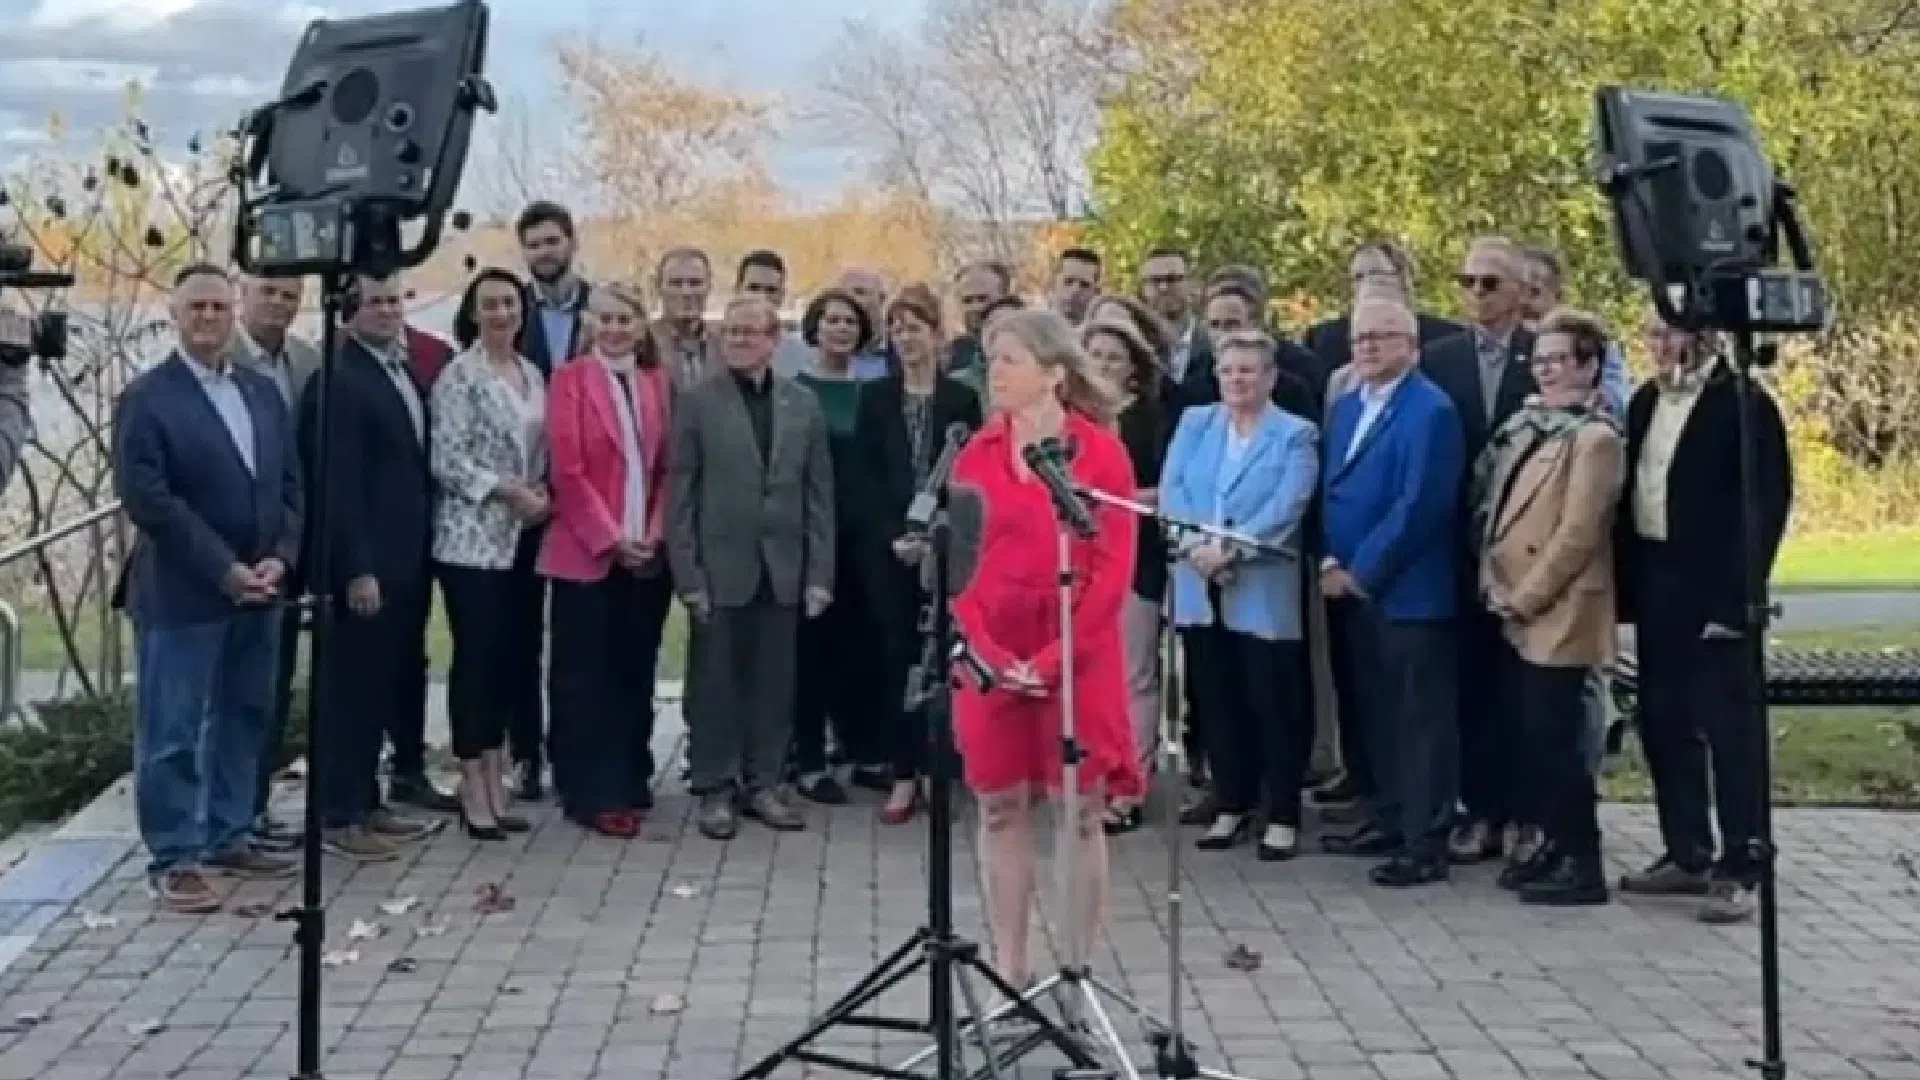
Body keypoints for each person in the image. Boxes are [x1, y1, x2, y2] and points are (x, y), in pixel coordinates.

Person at [949, 308, 1140, 989]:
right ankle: (1010, 966)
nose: (993, 372)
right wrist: (995, 657)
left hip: (1077, 654)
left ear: (1053, 374)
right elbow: (958, 571)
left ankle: (1078, 970)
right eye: (991, 360)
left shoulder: (1101, 454)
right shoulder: (974, 454)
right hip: (994, 658)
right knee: (1002, 805)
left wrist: (1055, 660)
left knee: (1080, 809)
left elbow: (1112, 573)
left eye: (1008, 359)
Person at [115, 264, 302, 911]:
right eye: (198, 307)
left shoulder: (260, 392)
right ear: (174, 313)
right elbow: (149, 500)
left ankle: (230, 830)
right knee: (172, 731)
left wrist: (280, 556)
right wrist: (224, 568)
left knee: (245, 716)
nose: (211, 318)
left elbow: (287, 487)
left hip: (262, 588)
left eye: (220, 307)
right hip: (184, 594)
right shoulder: (147, 398)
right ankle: (175, 855)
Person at [1616, 309, 1792, 924]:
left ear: (1704, 336)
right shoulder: (1643, 402)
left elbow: (1764, 506)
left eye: (1670, 334)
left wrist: (1736, 600)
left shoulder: (1742, 403)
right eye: (1652, 336)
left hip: (1715, 586)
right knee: (1665, 719)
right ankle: (1686, 849)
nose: (1660, 346)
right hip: (1657, 579)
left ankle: (1744, 860)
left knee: (1729, 728)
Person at [669, 296, 835, 841]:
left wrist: (818, 576)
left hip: (783, 567)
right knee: (714, 684)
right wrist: (688, 576)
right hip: (720, 566)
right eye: (731, 332)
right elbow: (681, 496)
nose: (738, 340)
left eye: (749, 332)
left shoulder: (802, 404)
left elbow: (818, 497)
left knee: (773, 682)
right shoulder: (697, 403)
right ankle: (715, 788)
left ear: (772, 340)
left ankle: (765, 781)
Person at [1473, 309, 1624, 905]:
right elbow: (1497, 509)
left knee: (1558, 743)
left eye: (1561, 361)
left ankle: (1583, 864)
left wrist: (1526, 596)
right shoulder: (1530, 426)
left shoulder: (1596, 438)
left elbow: (1578, 533)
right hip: (1511, 601)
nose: (1549, 372)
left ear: (1590, 367)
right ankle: (1554, 846)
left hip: (1558, 607)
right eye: (1541, 362)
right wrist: (1493, 579)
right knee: (1531, 739)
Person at [1319, 297, 1465, 887]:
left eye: (1382, 337)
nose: (1368, 347)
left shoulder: (1431, 410)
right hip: (1353, 588)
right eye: (1360, 338)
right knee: (1376, 713)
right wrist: (1331, 558)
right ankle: (1387, 817)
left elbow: (1419, 505)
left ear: (1411, 344)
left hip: (1409, 592)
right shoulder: (1349, 405)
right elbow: (1333, 489)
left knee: (1419, 721)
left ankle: (1425, 841)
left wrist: (1364, 570)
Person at [1162, 330, 1320, 860]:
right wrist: (1195, 546)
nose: (1236, 380)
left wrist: (1230, 551)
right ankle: (1232, 803)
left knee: (1272, 702)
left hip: (1260, 587)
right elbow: (1173, 491)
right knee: (1217, 699)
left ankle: (1281, 813)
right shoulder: (1195, 423)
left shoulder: (1295, 434)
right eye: (1228, 371)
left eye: (1248, 370)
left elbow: (1287, 505)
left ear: (1270, 377)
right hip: (1197, 583)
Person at [300, 272, 440, 861]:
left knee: (383, 686)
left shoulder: (397, 370)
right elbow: (339, 485)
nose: (387, 312)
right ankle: (339, 813)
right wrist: (356, 568)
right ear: (348, 311)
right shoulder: (337, 381)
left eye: (394, 301)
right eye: (374, 303)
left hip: (407, 558)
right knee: (349, 693)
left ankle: (369, 800)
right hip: (364, 566)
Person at [540, 284, 676, 838]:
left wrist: (652, 532)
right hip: (587, 554)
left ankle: (629, 777)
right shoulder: (570, 380)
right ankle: (587, 790)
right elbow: (567, 471)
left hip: (645, 553)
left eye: (627, 318)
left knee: (633, 672)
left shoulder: (656, 383)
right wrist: (611, 537)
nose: (616, 328)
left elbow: (668, 466)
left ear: (642, 326)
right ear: (591, 324)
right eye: (607, 318)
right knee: (584, 676)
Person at [851, 284, 984, 823]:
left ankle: (940, 772)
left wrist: (936, 535)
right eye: (898, 328)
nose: (907, 338)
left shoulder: (961, 400)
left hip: (946, 553)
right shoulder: (876, 398)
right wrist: (896, 536)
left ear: (936, 334)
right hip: (890, 553)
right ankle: (902, 773)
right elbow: (864, 478)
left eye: (916, 327)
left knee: (944, 660)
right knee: (896, 659)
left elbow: (971, 477)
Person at [429, 269, 547, 840]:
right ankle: (472, 787)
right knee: (477, 662)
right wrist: (508, 491)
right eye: (489, 305)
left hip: (523, 539)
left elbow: (537, 451)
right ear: (474, 314)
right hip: (471, 541)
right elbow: (447, 461)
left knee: (510, 661)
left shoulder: (530, 373)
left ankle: (499, 780)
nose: (501, 313)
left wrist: (539, 490)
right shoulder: (460, 376)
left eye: (509, 303)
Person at [790, 289, 888, 802]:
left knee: (864, 649)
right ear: (814, 327)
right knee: (812, 652)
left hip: (865, 540)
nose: (841, 329)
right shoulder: (796, 391)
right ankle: (808, 760)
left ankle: (867, 752)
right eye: (831, 319)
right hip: (814, 537)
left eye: (851, 321)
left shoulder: (875, 392)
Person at [1080, 316, 1168, 834]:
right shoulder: (1070, 418)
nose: (1104, 365)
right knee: (1087, 675)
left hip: (1135, 557)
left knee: (1132, 673)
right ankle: (1090, 776)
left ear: (1134, 370)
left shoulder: (1151, 419)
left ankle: (1128, 786)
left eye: (1115, 357)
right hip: (1076, 560)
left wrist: (1108, 501)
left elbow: (1166, 488)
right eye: (1094, 354)